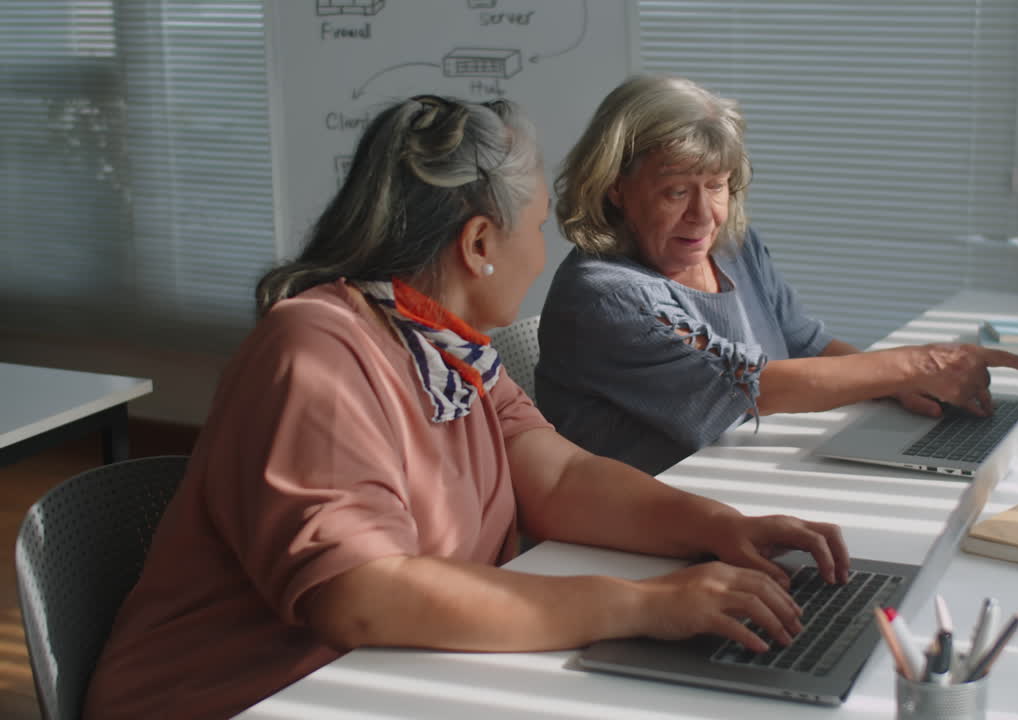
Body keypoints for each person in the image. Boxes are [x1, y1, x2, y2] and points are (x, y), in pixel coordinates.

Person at [83, 95, 848, 720]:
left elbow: (562, 479)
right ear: (480, 242)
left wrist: (721, 529)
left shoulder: (446, 344)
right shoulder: (315, 348)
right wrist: (641, 605)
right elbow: (362, 594)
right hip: (253, 696)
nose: (546, 254)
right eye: (540, 227)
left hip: (382, 681)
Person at [536, 74, 1018, 475]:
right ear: (615, 188)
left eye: (716, 186)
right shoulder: (605, 296)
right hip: (651, 524)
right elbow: (746, 387)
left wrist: (892, 385)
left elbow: (805, 342)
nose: (704, 215)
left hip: (747, 481)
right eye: (675, 191)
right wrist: (914, 366)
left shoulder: (732, 245)